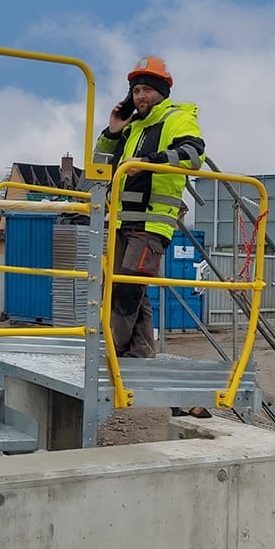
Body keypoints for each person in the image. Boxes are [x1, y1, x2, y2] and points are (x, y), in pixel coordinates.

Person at [92, 56, 210, 417]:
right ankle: (141, 354)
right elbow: (98, 164)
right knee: (127, 288)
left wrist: (154, 161)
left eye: (145, 90)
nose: (139, 96)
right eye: (135, 90)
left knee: (129, 288)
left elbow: (194, 154)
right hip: (122, 222)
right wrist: (113, 129)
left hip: (152, 224)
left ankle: (108, 353)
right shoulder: (131, 128)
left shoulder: (177, 117)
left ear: (160, 91)